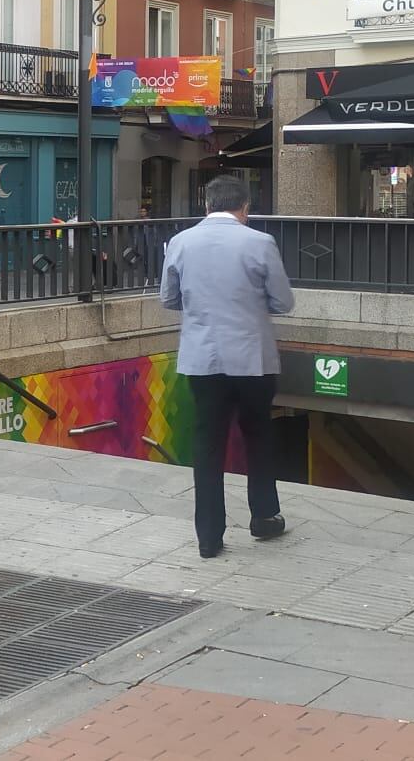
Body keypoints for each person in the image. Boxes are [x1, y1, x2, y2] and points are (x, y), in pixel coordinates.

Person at [158, 174, 295, 559]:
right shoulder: (260, 242)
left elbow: (168, 298)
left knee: (207, 443)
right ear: (245, 208)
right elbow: (284, 302)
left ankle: (209, 536)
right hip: (253, 359)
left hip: (203, 359)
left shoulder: (181, 242)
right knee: (258, 436)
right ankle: (264, 517)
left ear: (206, 205)